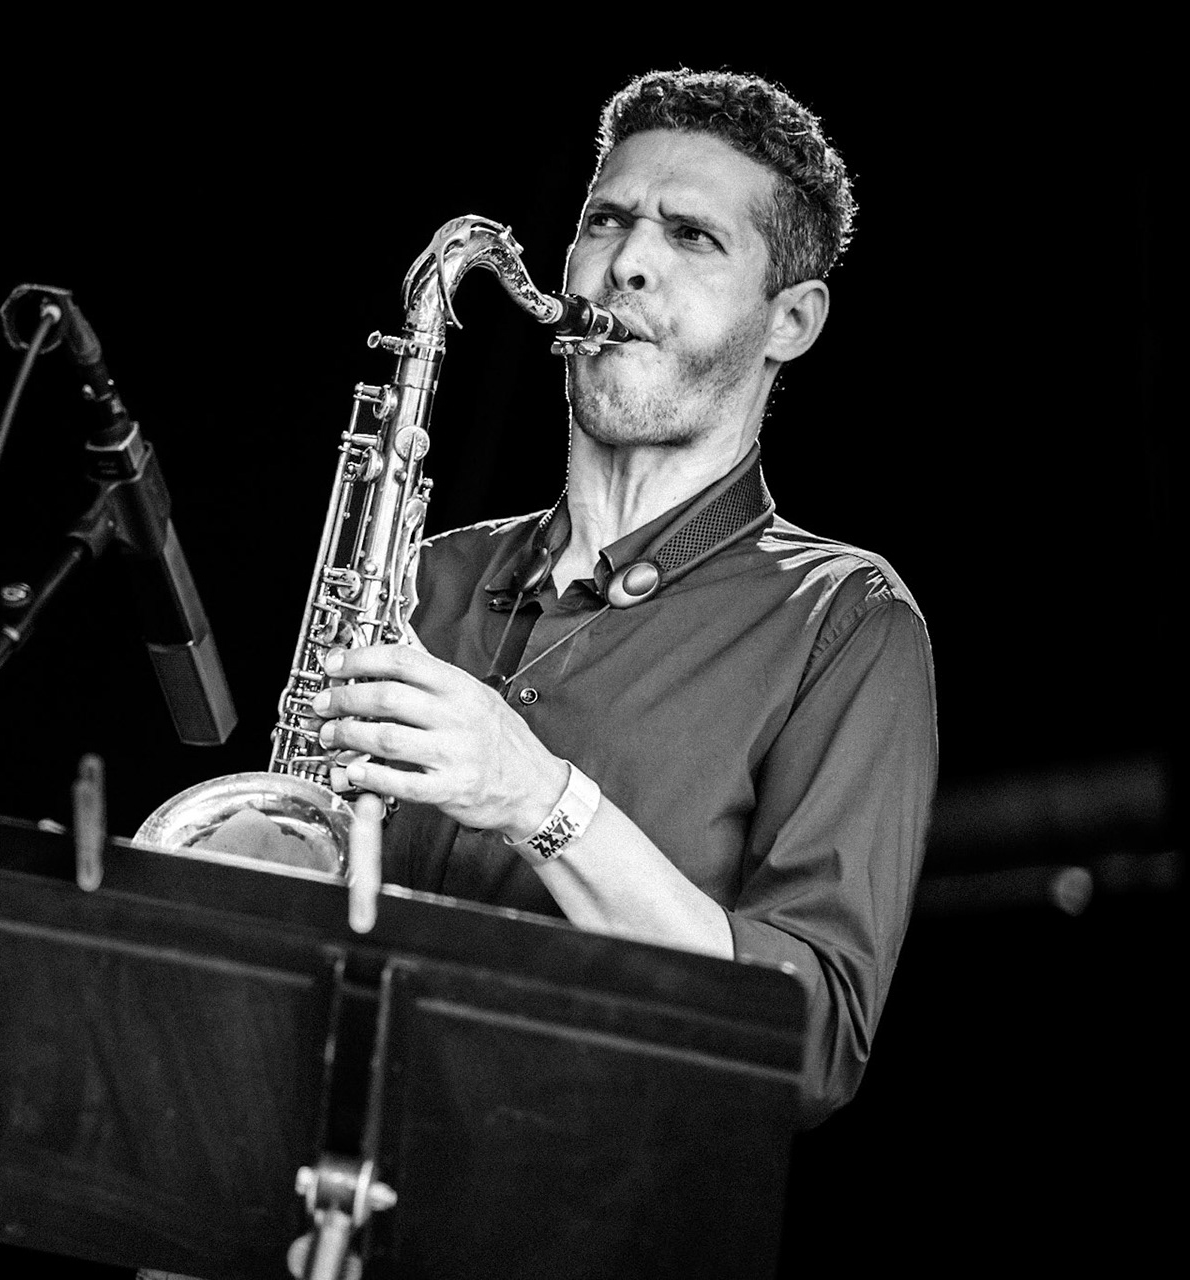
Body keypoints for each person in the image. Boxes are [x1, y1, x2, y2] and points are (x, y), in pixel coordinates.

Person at [311, 68, 937, 1126]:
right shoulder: (426, 576)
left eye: (692, 236)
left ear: (791, 319)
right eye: (607, 219)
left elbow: (813, 1042)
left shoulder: (847, 622)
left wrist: (542, 800)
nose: (627, 262)